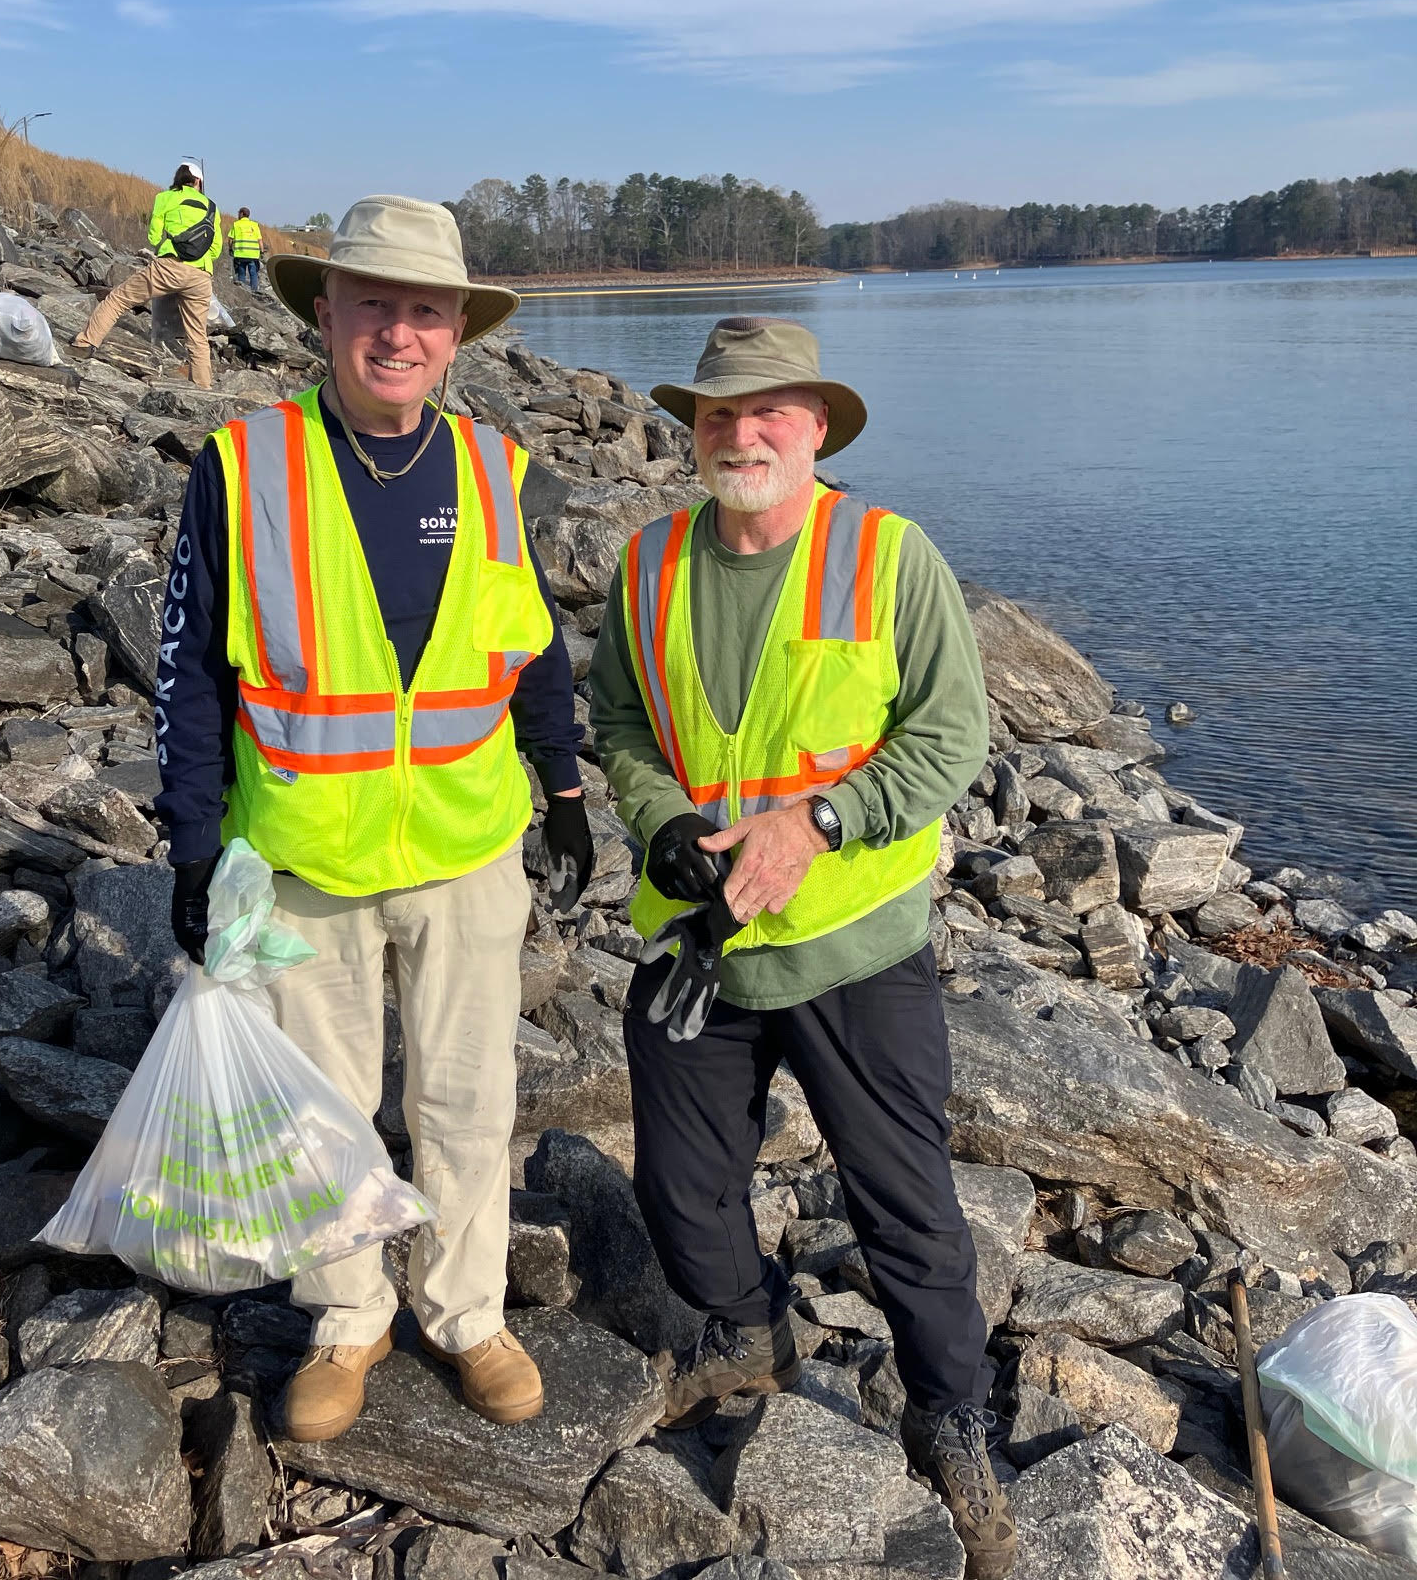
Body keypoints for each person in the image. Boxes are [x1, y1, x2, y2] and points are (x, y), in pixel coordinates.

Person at [154, 195, 594, 1442]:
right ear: (325, 314)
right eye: (374, 306)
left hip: (465, 849)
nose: (398, 333)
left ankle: (468, 1314)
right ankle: (348, 1319)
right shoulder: (243, 466)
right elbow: (191, 671)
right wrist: (192, 845)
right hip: (304, 858)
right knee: (325, 1112)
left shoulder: (499, 469)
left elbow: (535, 654)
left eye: (425, 311)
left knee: (467, 1101)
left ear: (456, 332)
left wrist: (563, 794)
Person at [589, 317, 1017, 1580]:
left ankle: (952, 1417)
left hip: (853, 945)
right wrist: (660, 822)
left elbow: (950, 739)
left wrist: (825, 820)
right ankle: (747, 1333)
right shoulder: (649, 561)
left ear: (817, 425)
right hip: (701, 946)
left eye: (770, 410)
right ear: (693, 430)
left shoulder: (889, 556)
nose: (743, 431)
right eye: (719, 412)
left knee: (908, 1212)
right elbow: (619, 720)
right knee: (679, 1192)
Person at [72, 160, 223, 387]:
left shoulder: (165, 198)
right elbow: (216, 249)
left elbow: (153, 237)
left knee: (118, 299)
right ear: (198, 181)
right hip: (201, 276)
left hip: (170, 267)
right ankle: (203, 387)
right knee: (197, 334)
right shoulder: (212, 207)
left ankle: (84, 344)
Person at [230, 206, 262, 290]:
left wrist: (230, 248)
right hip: (253, 255)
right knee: (253, 273)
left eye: (238, 213)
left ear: (241, 214)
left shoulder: (236, 224)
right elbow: (260, 240)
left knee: (241, 273)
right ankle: (254, 292)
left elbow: (230, 239)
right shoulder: (255, 225)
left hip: (241, 254)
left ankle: (243, 292)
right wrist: (261, 251)